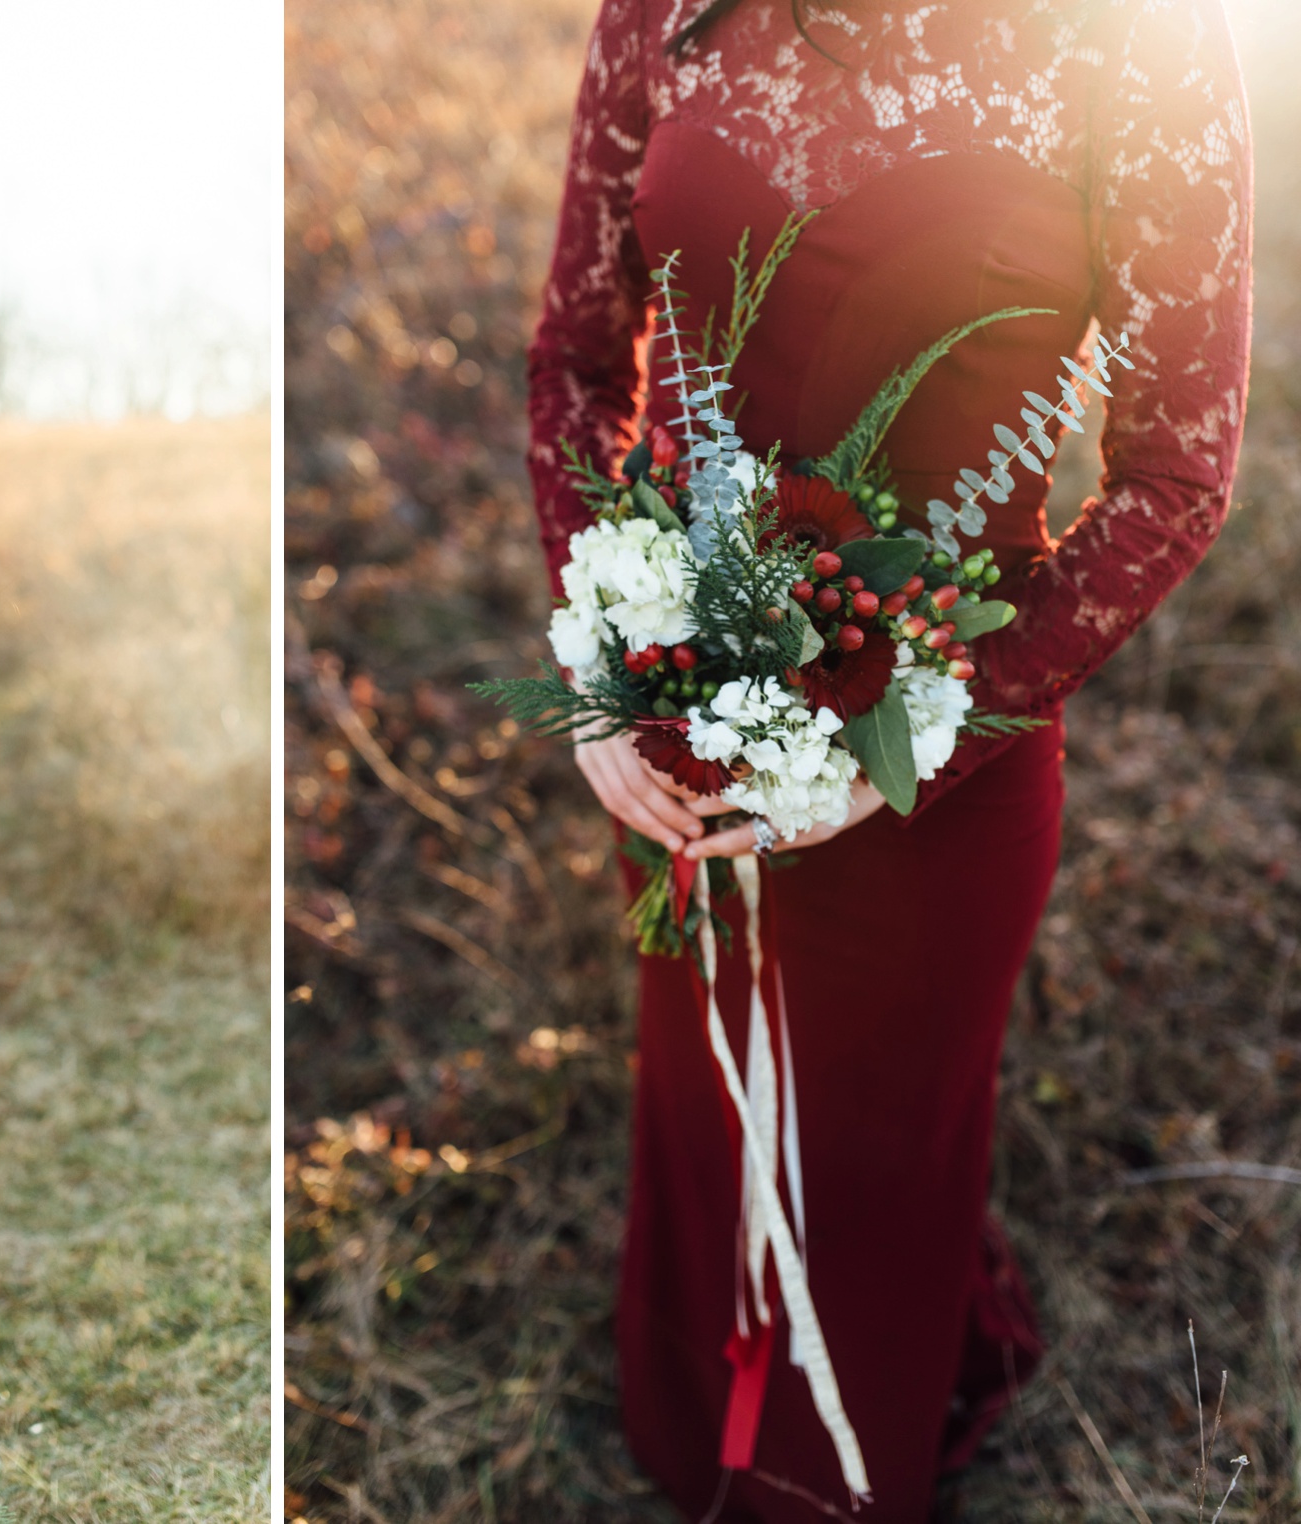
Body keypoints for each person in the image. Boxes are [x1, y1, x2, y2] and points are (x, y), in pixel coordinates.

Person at [527, 1, 1250, 1519]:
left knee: (875, 1161)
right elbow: (578, 361)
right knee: (704, 1092)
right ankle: (685, 1423)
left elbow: (1180, 460)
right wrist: (602, 656)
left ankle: (829, 1474)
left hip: (929, 772)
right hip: (680, 716)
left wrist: (923, 723)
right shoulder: (666, 9)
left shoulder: (1145, 44)